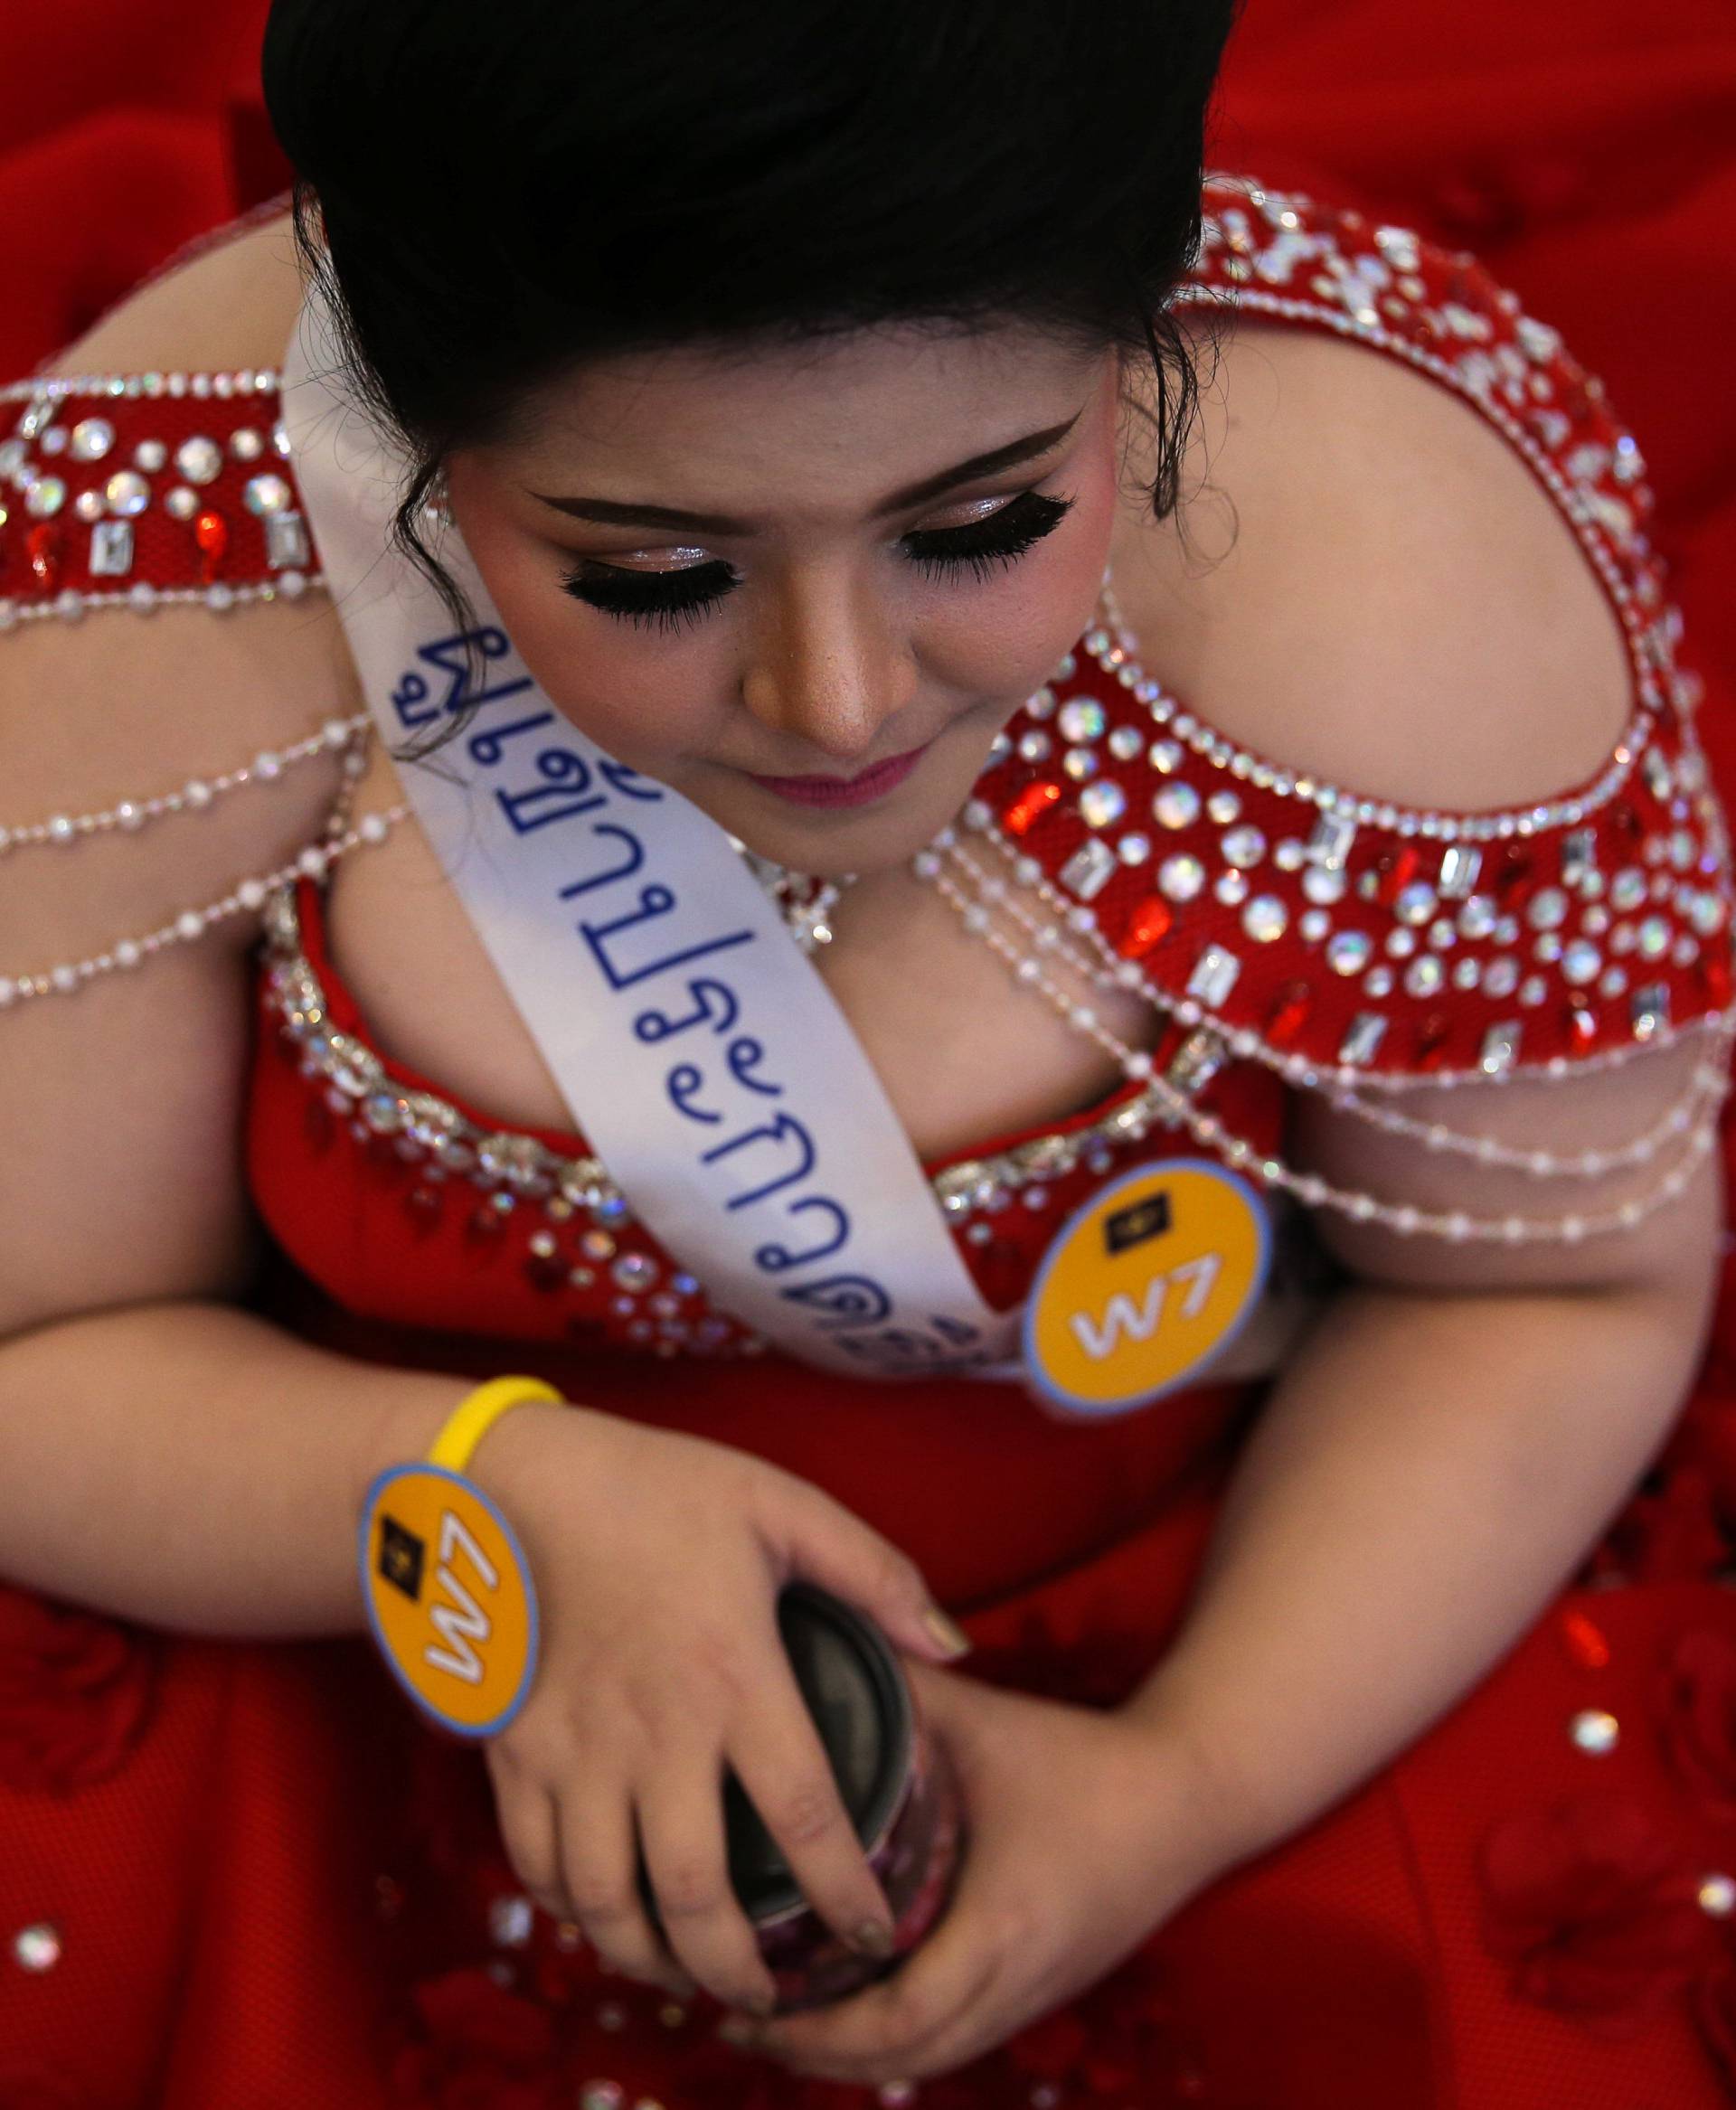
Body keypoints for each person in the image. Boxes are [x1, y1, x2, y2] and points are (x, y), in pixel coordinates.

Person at [2, 4, 1734, 2105]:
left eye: (984, 524)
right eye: (648, 569)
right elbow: (34, 1347)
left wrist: (1185, 1779)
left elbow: (1559, 1287)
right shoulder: (163, 576)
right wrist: (488, 1493)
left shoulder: (1392, 582)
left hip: (1297, 1570)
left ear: (1135, 352)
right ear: (408, 438)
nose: (835, 702)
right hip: (345, 1596)